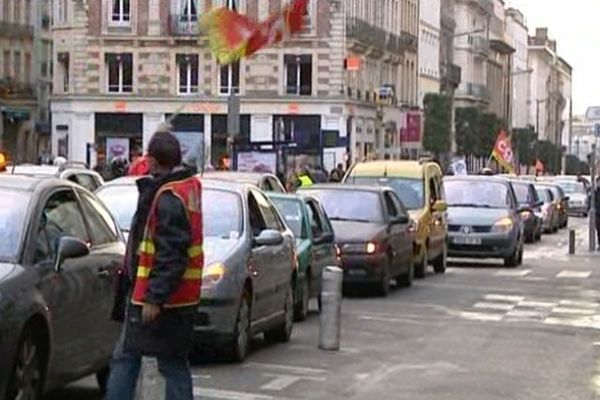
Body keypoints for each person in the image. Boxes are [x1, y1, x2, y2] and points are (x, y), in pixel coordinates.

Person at [106, 127, 203, 400]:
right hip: (179, 296)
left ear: (151, 160)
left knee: (127, 359)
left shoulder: (167, 196)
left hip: (156, 297)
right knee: (172, 362)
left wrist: (154, 297)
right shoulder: (185, 188)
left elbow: (171, 253)